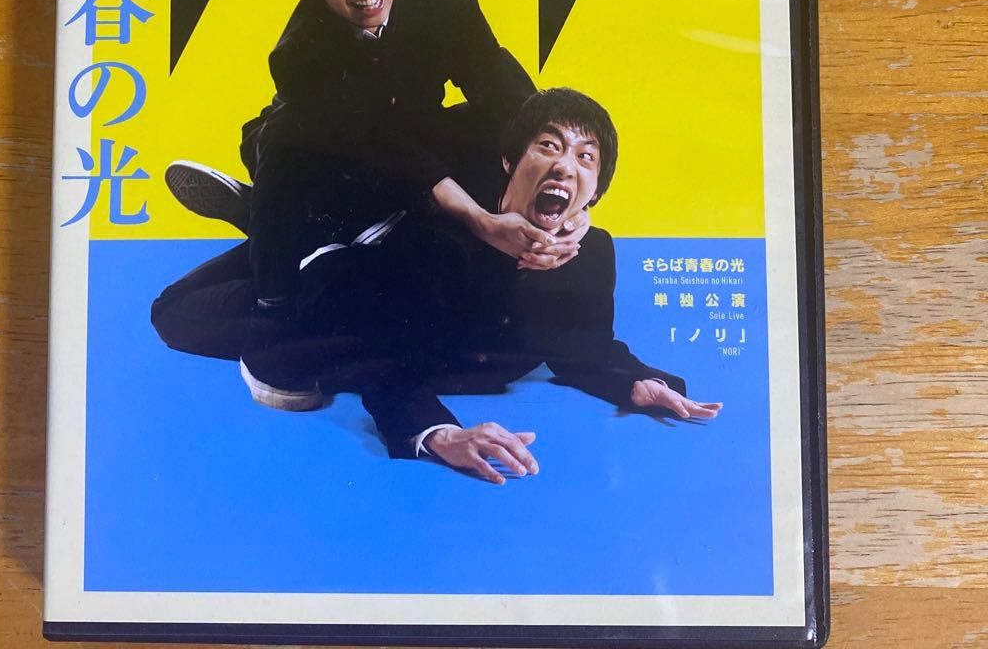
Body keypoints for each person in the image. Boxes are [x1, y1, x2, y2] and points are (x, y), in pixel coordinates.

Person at [152, 89, 722, 484]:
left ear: (596, 191)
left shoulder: (592, 252)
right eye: (548, 146)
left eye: (585, 158)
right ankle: (277, 224)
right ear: (510, 161)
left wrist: (637, 383)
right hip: (334, 294)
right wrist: (436, 430)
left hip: (383, 267)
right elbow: (386, 361)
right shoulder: (441, 245)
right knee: (175, 314)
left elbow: (585, 347)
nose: (565, 166)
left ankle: (270, 217)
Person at [167, 0, 586, 317]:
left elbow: (517, 102)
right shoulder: (298, 54)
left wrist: (572, 204)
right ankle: (275, 214)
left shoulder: (450, 7)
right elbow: (378, 143)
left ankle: (270, 212)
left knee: (498, 129)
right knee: (293, 150)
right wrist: (480, 221)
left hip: (416, 130)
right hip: (325, 150)